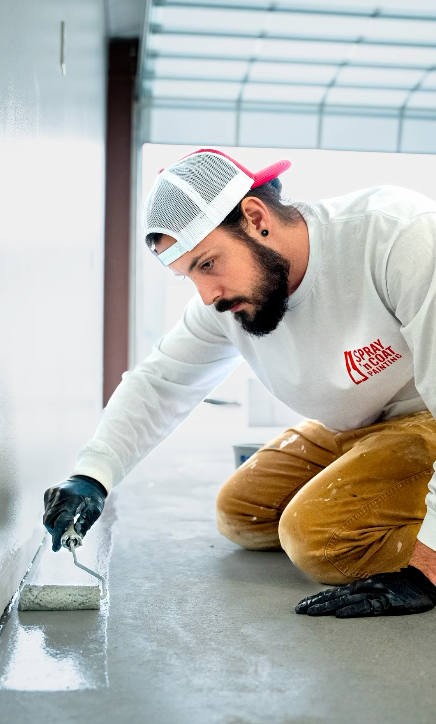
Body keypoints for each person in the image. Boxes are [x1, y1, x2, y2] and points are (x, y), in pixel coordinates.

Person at [43, 148, 436, 618]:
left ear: (254, 217)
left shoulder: (397, 235)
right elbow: (161, 382)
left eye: (207, 264)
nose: (207, 295)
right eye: (187, 275)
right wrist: (92, 476)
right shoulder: (227, 299)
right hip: (353, 423)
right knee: (242, 511)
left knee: (314, 536)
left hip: (423, 415)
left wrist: (427, 565)